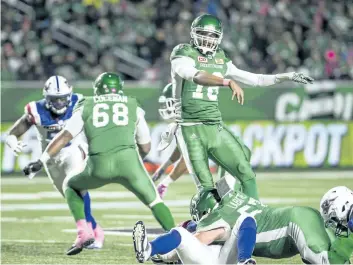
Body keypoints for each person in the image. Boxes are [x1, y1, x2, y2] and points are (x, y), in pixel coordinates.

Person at [23, 72, 176, 255]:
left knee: (70, 185)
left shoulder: (86, 104)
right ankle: (178, 243)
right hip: (129, 163)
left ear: (97, 89)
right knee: (155, 202)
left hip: (98, 164)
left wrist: (41, 161)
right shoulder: (132, 104)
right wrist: (134, 162)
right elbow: (145, 145)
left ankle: (83, 232)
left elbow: (64, 136)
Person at [170, 13, 314, 199]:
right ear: (193, 34)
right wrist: (226, 82)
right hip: (190, 129)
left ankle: (253, 216)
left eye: (212, 35)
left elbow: (256, 79)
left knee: (245, 172)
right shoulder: (183, 53)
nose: (207, 39)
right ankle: (209, 219)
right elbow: (195, 75)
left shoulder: (221, 58)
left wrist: (285, 76)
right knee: (206, 191)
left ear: (219, 38)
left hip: (214, 125)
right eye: (202, 33)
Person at [132, 186, 353, 264]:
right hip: (296, 217)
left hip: (293, 222)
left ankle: (244, 260)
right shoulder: (234, 200)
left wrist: (166, 254)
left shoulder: (216, 217)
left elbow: (201, 238)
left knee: (329, 261)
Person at [5, 75, 104, 249]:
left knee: (76, 187)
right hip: (50, 159)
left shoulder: (79, 102)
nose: (59, 104)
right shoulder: (36, 110)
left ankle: (84, 232)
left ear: (69, 95)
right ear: (46, 97)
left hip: (74, 150)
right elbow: (12, 132)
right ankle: (95, 229)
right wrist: (12, 142)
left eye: (62, 99)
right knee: (71, 196)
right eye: (55, 100)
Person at [153, 83, 242, 198]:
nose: (166, 107)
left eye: (169, 102)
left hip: (232, 167)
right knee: (214, 202)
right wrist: (163, 169)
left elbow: (187, 159)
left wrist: (165, 183)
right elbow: (182, 149)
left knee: (218, 203)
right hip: (231, 165)